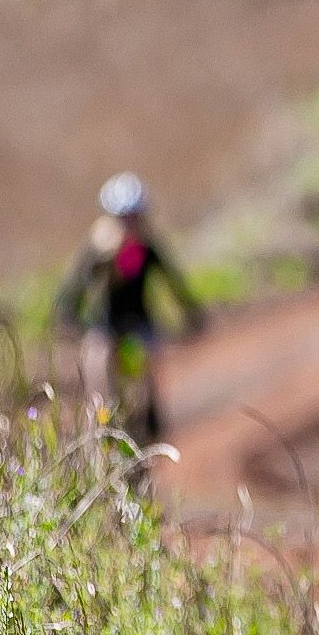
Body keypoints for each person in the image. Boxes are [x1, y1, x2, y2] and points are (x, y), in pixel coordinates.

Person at [55, 171, 207, 450]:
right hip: (104, 326)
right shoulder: (97, 250)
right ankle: (102, 428)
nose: (130, 224)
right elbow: (72, 290)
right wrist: (70, 318)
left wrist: (192, 315)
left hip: (138, 323)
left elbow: (173, 281)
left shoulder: (147, 248)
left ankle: (150, 418)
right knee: (98, 364)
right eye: (124, 218)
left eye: (135, 218)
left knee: (150, 361)